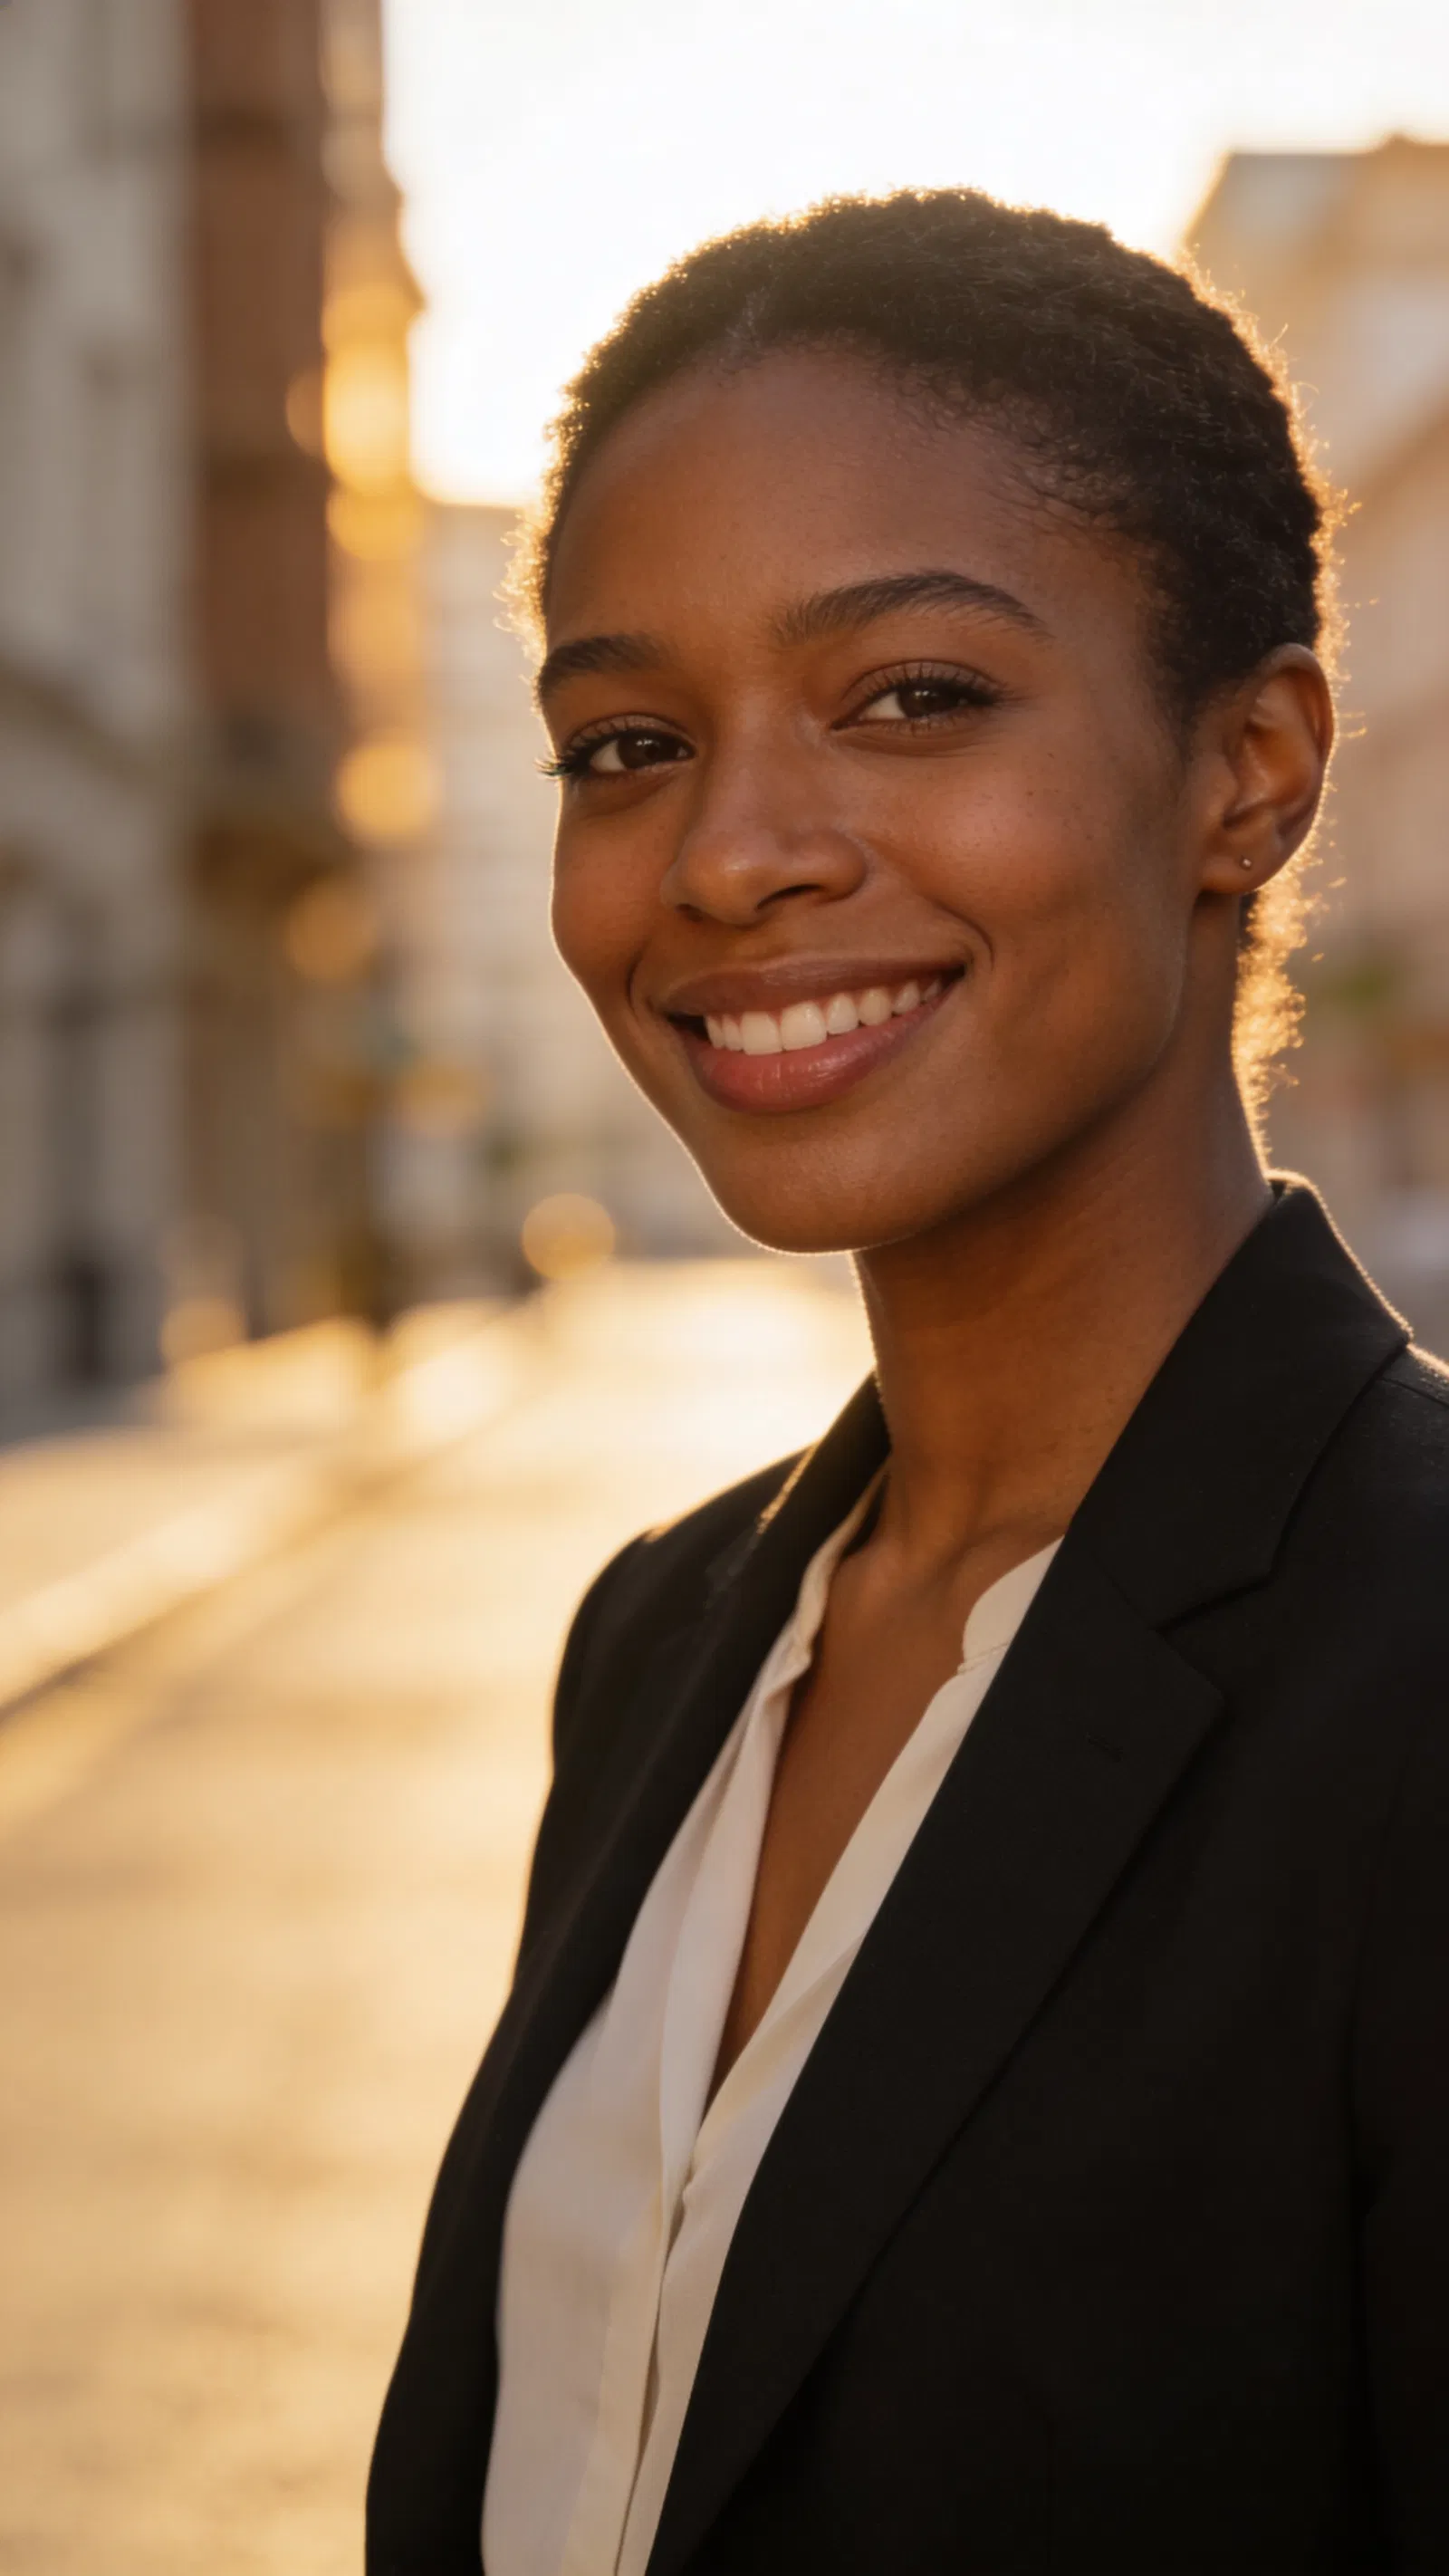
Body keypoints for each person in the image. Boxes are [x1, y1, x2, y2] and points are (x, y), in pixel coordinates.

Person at [367, 191, 1449, 2575]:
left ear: (1249, 770)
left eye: (913, 697)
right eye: (628, 742)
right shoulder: (664, 1635)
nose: (731, 854)